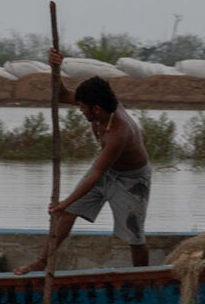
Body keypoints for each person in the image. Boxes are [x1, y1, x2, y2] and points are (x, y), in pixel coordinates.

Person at [13, 48, 152, 274]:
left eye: (82, 108)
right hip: (107, 170)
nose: (79, 110)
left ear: (96, 109)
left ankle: (143, 278)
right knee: (66, 215)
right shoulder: (99, 107)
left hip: (132, 180)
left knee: (134, 233)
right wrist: (55, 68)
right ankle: (41, 262)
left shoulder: (119, 132)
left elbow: (96, 173)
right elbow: (60, 95)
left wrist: (64, 201)